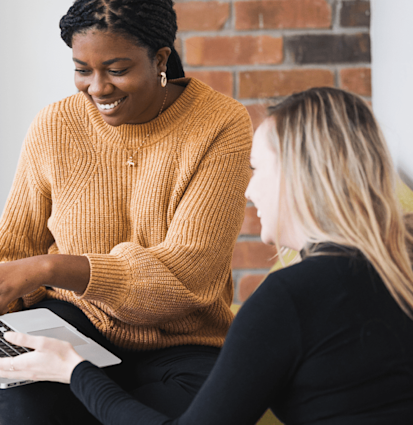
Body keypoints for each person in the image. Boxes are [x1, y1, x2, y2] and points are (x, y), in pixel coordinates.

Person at [2, 87, 413, 425]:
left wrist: (75, 371)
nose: (249, 193)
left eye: (258, 171)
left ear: (300, 176)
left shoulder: (289, 299)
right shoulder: (399, 267)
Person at [0, 0, 252, 423]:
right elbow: (15, 248)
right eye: (83, 70)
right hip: (72, 320)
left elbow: (185, 277)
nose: (98, 88)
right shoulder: (54, 125)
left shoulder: (221, 125)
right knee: (22, 408)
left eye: (116, 70)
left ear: (159, 58)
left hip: (182, 342)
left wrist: (50, 267)